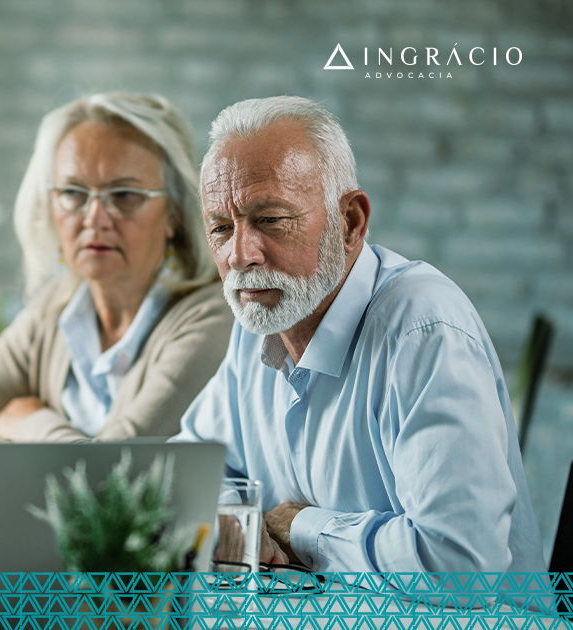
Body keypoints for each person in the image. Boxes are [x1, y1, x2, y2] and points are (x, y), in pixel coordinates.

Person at [176, 95, 544, 572]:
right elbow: (186, 476)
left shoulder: (422, 329)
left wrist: (302, 528)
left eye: (270, 220)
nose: (241, 255)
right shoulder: (258, 322)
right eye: (222, 228)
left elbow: (463, 567)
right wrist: (235, 519)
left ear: (350, 222)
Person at [0, 93, 233, 443]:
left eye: (124, 195)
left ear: (173, 212)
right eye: (73, 192)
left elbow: (112, 480)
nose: (94, 219)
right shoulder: (53, 312)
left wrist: (29, 424)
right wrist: (15, 453)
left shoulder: (214, 319)